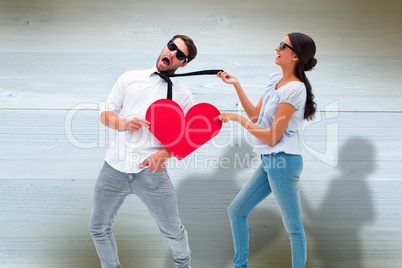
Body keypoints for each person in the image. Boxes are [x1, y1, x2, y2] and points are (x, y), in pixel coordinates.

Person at [89, 35, 197, 268]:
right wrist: (125, 123)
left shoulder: (184, 96)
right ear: (164, 46)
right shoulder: (130, 78)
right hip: (113, 168)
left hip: (151, 173)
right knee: (98, 227)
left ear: (184, 63)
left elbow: (187, 138)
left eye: (179, 54)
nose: (172, 54)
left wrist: (164, 154)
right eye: (171, 47)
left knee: (173, 229)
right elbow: (105, 114)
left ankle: (183, 264)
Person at [217, 32, 317, 268]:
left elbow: (273, 137)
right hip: (270, 161)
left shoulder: (295, 89)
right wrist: (236, 85)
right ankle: (240, 266)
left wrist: (237, 120)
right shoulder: (275, 80)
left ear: (295, 56)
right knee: (236, 211)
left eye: (283, 45)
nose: (277, 48)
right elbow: (256, 116)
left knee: (293, 228)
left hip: (283, 162)